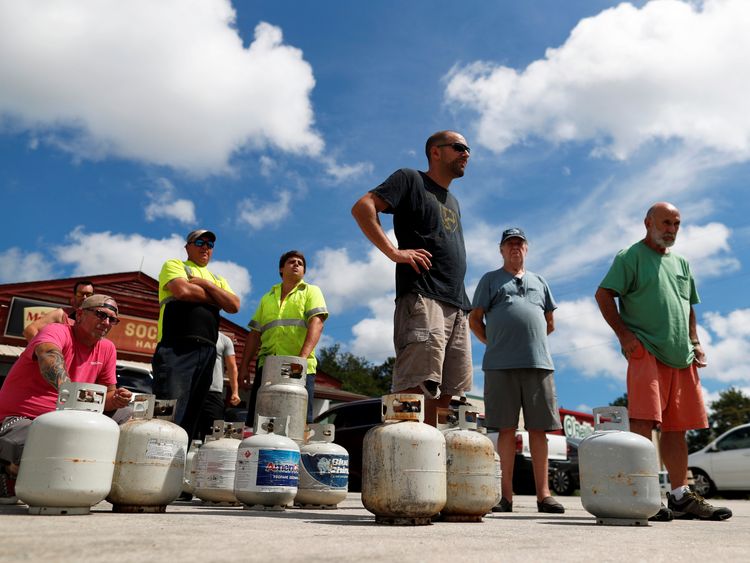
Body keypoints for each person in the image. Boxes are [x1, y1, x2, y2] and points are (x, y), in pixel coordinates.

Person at [595, 202, 732, 522]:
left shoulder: (682, 263)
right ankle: (645, 497)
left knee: (677, 427)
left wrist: (695, 341)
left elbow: (688, 306)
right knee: (644, 422)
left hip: (682, 355)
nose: (671, 229)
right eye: (665, 222)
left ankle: (681, 495)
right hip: (647, 351)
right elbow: (603, 294)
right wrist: (624, 335)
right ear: (648, 223)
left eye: (676, 223)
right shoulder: (629, 256)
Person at [351, 131, 473, 426]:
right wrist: (394, 251)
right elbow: (363, 207)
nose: (466, 154)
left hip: (457, 305)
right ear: (436, 152)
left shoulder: (453, 202)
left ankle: (427, 462)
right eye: (459, 147)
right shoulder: (410, 178)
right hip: (422, 296)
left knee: (448, 394)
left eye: (468, 149)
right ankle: (401, 461)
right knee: (414, 386)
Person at [0, 295, 132, 504]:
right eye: (100, 314)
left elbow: (107, 396)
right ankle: (6, 468)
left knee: (126, 414)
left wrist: (116, 399)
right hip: (22, 417)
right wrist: (68, 391)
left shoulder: (107, 348)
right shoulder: (57, 330)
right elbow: (48, 354)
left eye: (112, 319)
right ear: (79, 314)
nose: (106, 322)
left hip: (70, 421)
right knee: (42, 450)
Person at [469, 228, 564, 514]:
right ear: (501, 250)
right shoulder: (490, 280)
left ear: (527, 248)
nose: (515, 248)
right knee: (506, 430)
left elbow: (550, 322)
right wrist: (495, 342)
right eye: (509, 244)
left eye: (519, 244)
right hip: (500, 366)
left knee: (539, 430)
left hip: (539, 364)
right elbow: (475, 320)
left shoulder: (540, 282)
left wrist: (528, 341)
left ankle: (544, 496)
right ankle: (505, 497)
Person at [152, 229, 240, 441]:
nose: (205, 247)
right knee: (170, 410)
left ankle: (179, 465)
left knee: (192, 414)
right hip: (177, 347)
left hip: (208, 351)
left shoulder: (216, 278)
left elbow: (234, 305)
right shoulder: (175, 265)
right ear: (187, 247)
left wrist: (206, 284)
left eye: (210, 245)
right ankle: (158, 462)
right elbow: (183, 291)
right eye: (200, 242)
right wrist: (217, 297)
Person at [240, 250, 327, 430]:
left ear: (303, 271)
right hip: (267, 367)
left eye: (300, 263)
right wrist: (243, 368)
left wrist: (300, 361)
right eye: (291, 262)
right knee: (260, 422)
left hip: (299, 367)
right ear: (281, 269)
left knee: (297, 423)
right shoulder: (267, 298)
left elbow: (316, 323)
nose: (296, 264)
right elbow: (255, 334)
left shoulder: (311, 291)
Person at [197, 332, 239, 441]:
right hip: (191, 391)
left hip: (213, 394)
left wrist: (235, 391)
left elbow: (232, 367)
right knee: (188, 430)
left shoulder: (224, 340)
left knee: (214, 435)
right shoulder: (192, 333)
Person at [23, 280, 95, 341]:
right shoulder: (62, 314)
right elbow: (30, 330)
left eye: (88, 295)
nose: (84, 297)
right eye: (80, 294)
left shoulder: (100, 318)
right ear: (74, 296)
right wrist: (43, 351)